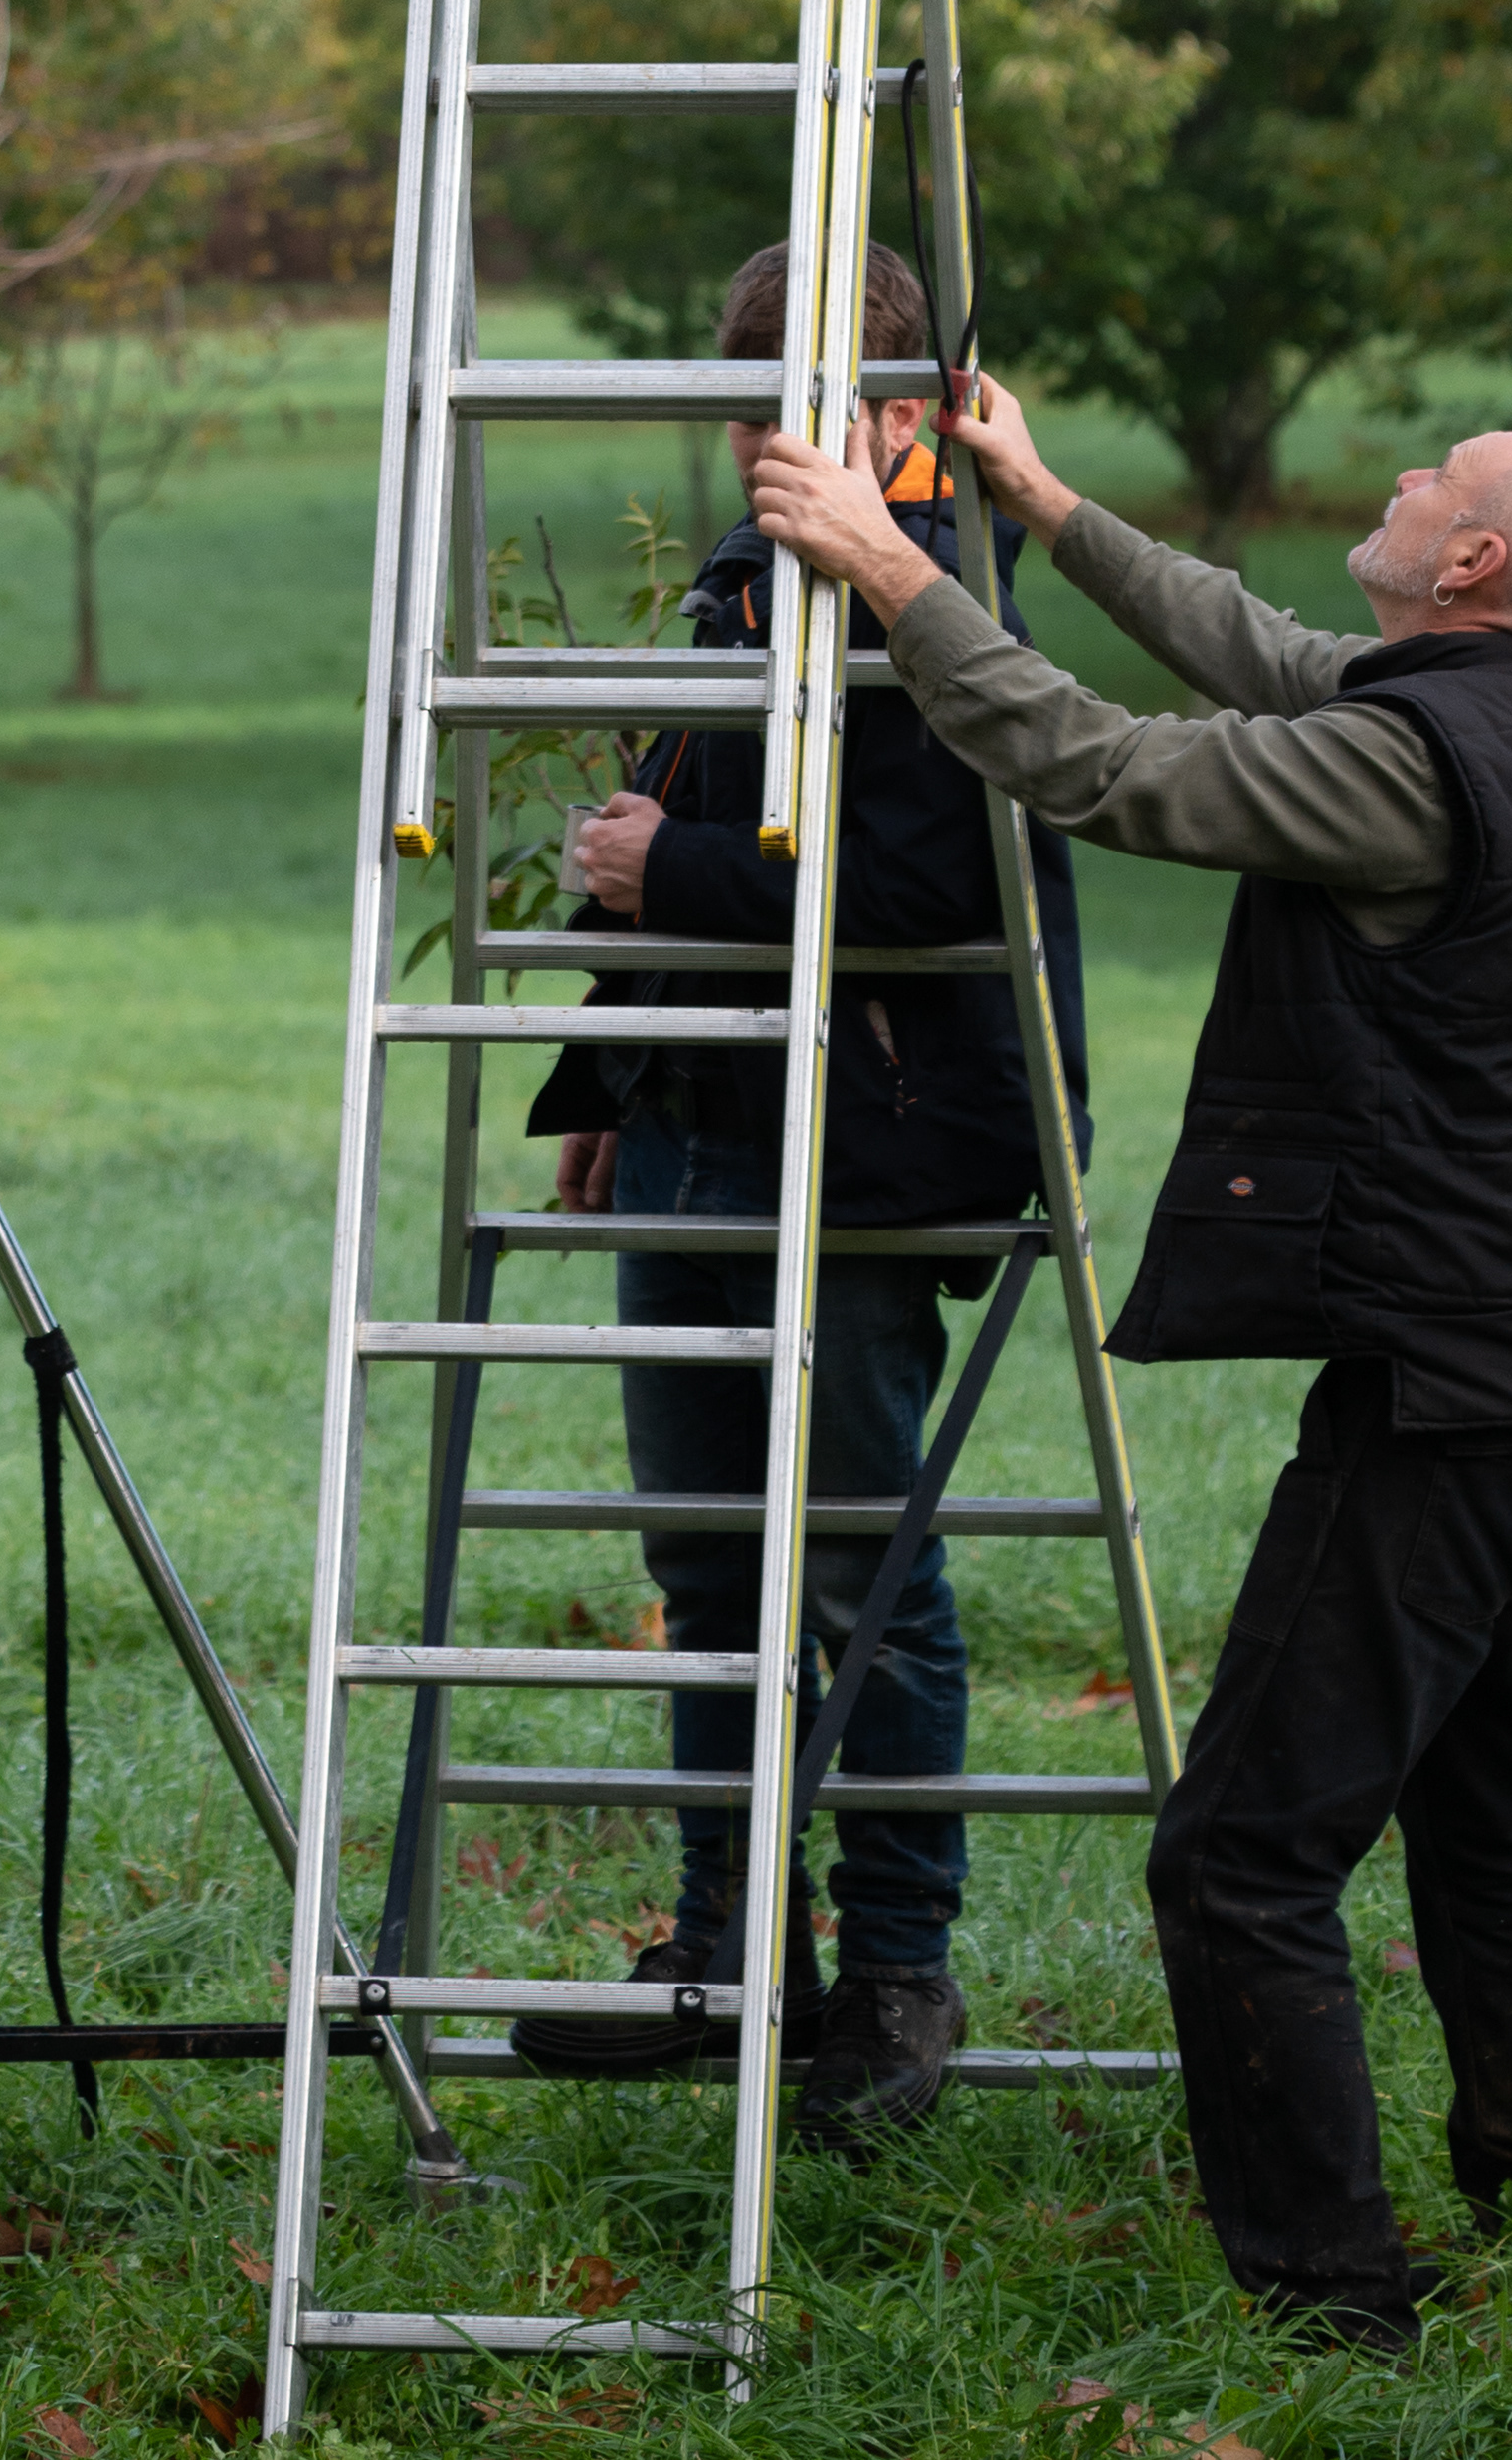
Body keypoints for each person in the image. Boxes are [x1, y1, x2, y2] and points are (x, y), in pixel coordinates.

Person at [746, 383, 1512, 2356]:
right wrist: (1045, 503)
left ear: (1475, 560)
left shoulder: (1414, 771)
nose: (1402, 484)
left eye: (1431, 481)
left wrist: (889, 562)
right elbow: (1259, 647)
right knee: (1489, 1812)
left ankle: (1334, 2306)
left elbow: (1105, 770)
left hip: (1458, 1399)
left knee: (1241, 1858)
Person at [515, 244, 1088, 2150]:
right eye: (747, 407)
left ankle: (899, 1979)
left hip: (860, 1138)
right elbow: (691, 820)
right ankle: (721, 1956)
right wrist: (618, 1062)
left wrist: (667, 877)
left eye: (808, 406)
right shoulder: (746, 574)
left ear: (911, 415)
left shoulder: (949, 601)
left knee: (856, 1567)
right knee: (704, 1559)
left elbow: (934, 896)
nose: (766, 444)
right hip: (700, 1119)